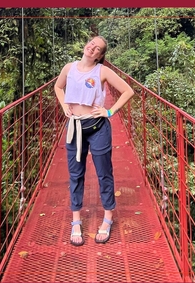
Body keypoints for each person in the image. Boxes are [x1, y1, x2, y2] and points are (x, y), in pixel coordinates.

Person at [54, 35, 135, 246]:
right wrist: (64, 105)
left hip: (98, 128)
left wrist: (109, 111)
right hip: (75, 127)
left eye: (97, 48)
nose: (92, 48)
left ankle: (108, 217)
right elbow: (58, 87)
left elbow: (128, 91)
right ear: (86, 45)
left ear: (100, 56)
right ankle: (76, 220)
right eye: (92, 44)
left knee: (104, 174)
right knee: (75, 174)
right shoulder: (68, 68)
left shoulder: (103, 71)